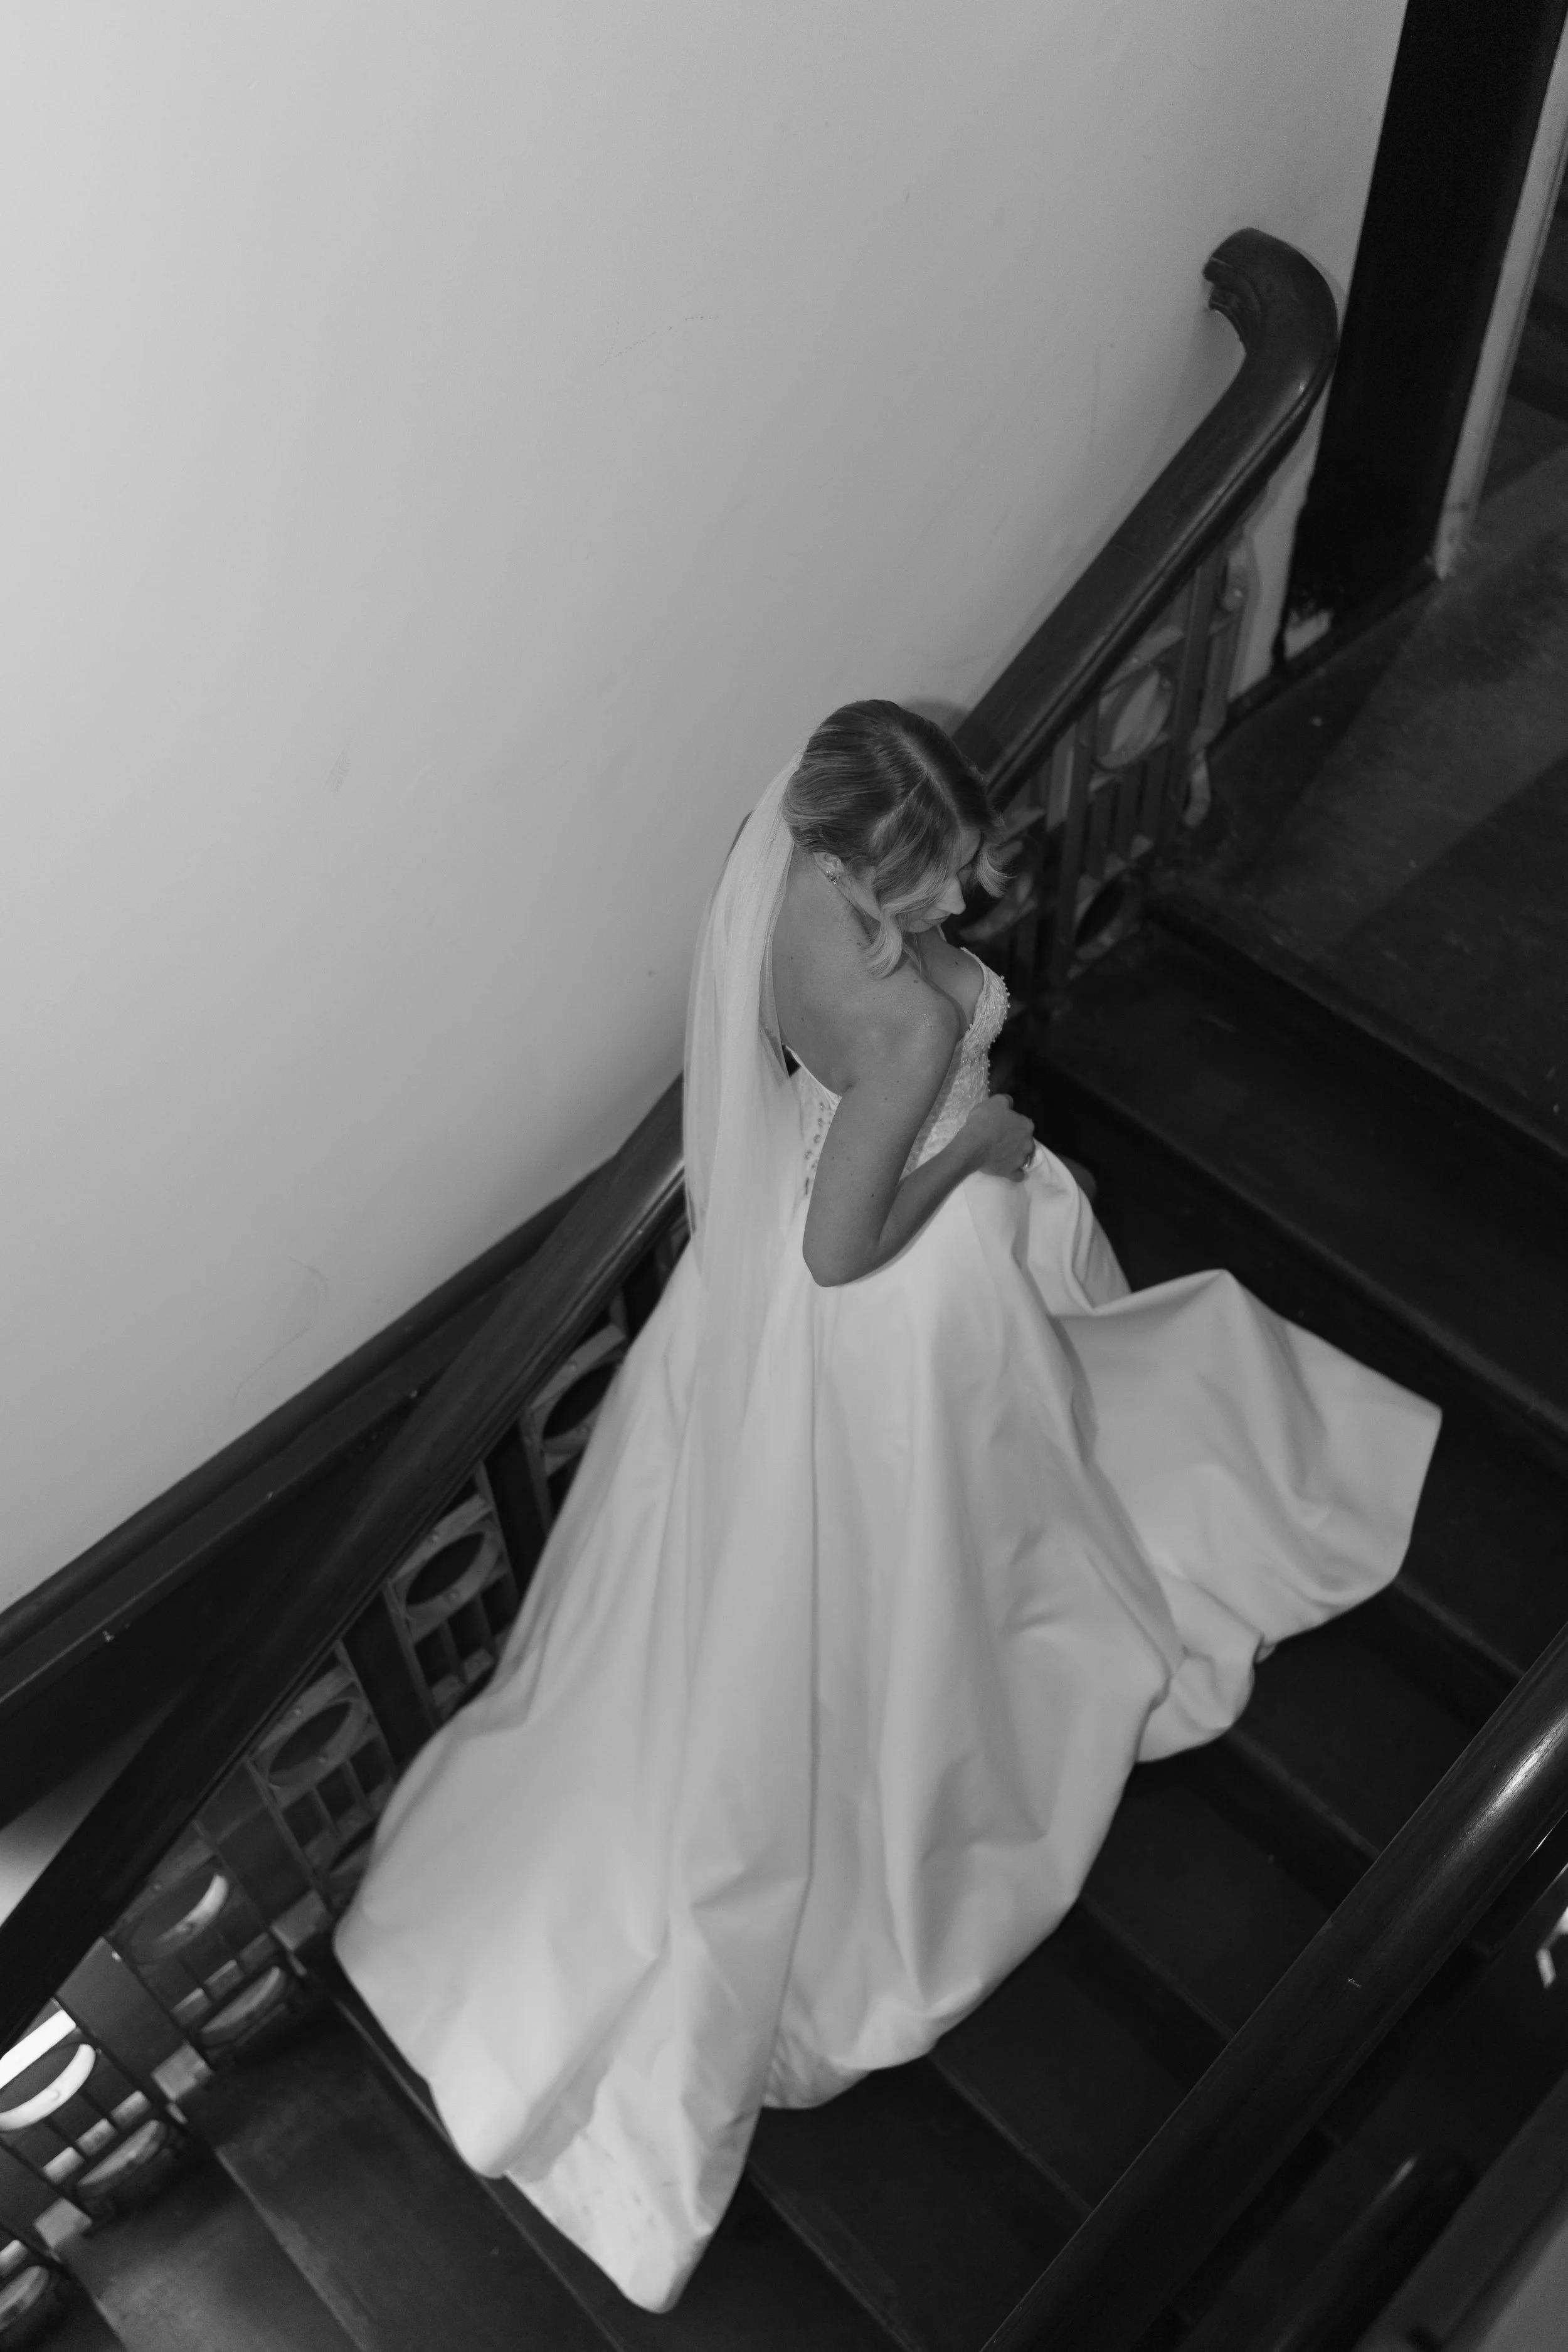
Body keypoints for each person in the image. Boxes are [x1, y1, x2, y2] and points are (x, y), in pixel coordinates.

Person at [335, 701, 1440, 2312]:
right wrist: (974, 1144)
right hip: (892, 1305)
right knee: (937, 1567)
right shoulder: (912, 1034)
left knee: (758, 1593)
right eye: (923, 891)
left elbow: (797, 1138)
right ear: (859, 853)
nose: (953, 913)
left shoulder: (775, 853)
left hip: (761, 1292)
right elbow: (842, 1252)